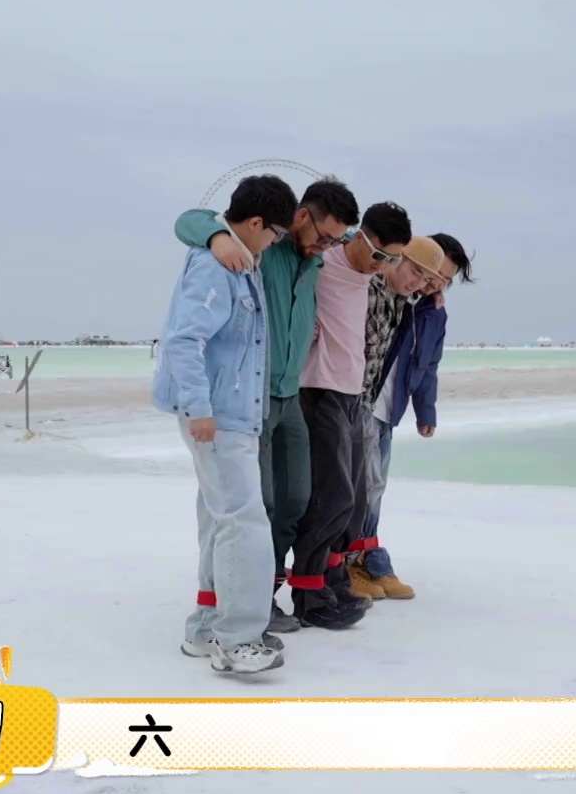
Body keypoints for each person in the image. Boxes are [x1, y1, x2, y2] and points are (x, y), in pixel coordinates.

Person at [175, 177, 363, 634]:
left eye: (335, 240)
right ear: (301, 217)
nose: (326, 246)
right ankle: (243, 604)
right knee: (256, 504)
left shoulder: (315, 260)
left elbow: (370, 249)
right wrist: (217, 237)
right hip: (250, 400)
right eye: (323, 236)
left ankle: (270, 591)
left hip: (290, 395)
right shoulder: (267, 247)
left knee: (296, 498)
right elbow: (190, 220)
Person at [151, 174, 299, 675]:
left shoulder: (238, 260)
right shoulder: (216, 265)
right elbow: (184, 340)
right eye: (274, 233)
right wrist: (199, 409)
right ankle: (237, 640)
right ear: (255, 223)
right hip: (217, 417)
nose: (275, 243)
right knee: (244, 522)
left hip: (230, 413)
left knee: (221, 518)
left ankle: (206, 628)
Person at [290, 201, 412, 629]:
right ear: (358, 237)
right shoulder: (323, 261)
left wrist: (431, 291)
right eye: (378, 254)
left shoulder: (373, 276)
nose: (381, 265)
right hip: (317, 389)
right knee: (331, 497)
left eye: (391, 259)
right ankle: (309, 593)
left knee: (356, 500)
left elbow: (411, 281)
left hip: (354, 395)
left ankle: (334, 579)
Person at [353, 232, 472, 602]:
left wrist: (426, 409)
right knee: (363, 485)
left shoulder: (434, 312)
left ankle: (365, 556)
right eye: (434, 272)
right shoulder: (395, 295)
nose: (435, 282)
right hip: (363, 401)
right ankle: (355, 559)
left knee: (375, 487)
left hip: (391, 409)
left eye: (445, 279)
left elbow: (429, 364)